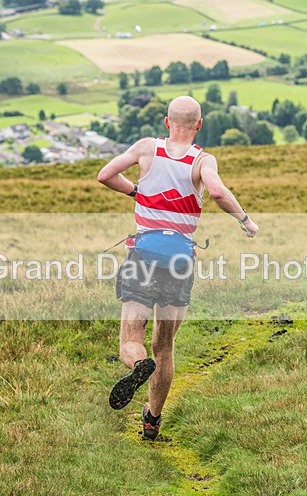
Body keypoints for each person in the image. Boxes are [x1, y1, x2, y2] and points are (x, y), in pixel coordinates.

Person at [96, 96, 259, 440]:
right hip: (180, 262)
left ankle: (138, 366)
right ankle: (152, 420)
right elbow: (216, 191)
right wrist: (245, 220)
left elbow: (106, 175)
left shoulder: (145, 148)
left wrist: (137, 192)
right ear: (200, 124)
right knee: (165, 346)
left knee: (131, 339)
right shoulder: (203, 159)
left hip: (143, 256)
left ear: (166, 122)